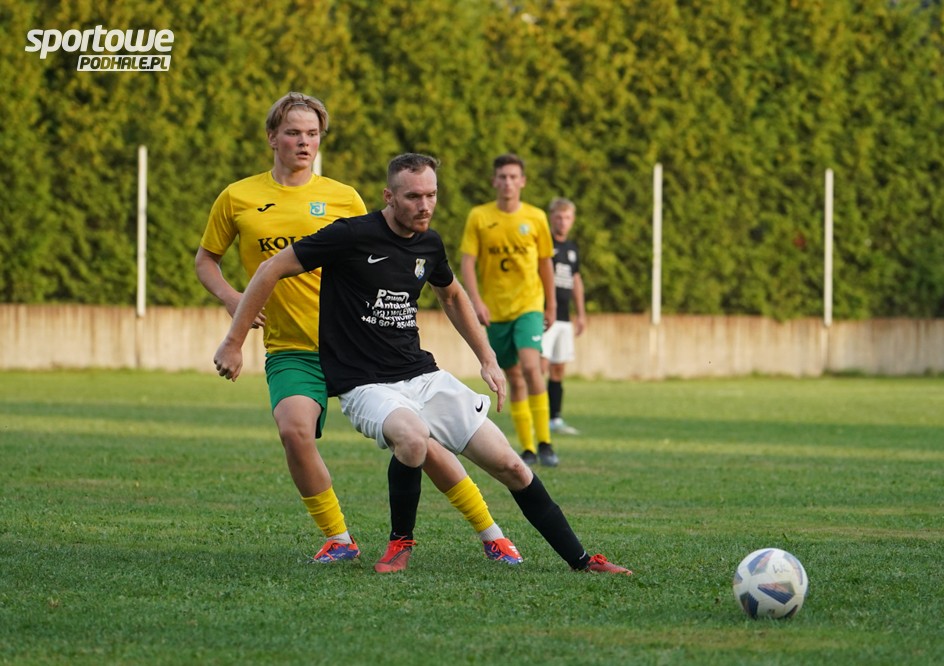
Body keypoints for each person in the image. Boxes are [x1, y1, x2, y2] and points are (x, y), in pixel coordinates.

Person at [213, 153, 631, 575]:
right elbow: (270, 269)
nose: (425, 205)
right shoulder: (350, 234)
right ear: (389, 196)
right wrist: (234, 341)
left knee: (511, 465)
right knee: (412, 439)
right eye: (413, 196)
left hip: (423, 376)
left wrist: (487, 358)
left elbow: (452, 295)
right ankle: (400, 543)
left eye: (431, 195)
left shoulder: (430, 243)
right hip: (365, 384)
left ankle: (582, 560)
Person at [195, 93, 521, 566]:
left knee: (422, 441)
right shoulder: (237, 197)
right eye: (293, 132)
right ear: (272, 137)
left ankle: (491, 534)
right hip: (295, 346)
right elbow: (206, 260)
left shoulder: (344, 197)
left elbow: (384, 256)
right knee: (293, 430)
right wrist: (233, 300)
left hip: (362, 350)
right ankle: (339, 538)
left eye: (312, 134)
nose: (304, 142)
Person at [459, 154, 558, 467]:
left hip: (529, 305)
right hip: (496, 311)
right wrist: (476, 301)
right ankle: (527, 447)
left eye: (514, 177)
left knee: (531, 366)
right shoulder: (479, 216)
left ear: (523, 182)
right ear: (494, 181)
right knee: (514, 376)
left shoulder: (536, 217)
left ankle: (545, 443)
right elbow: (468, 262)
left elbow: (546, 263)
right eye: (502, 177)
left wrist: (552, 304)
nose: (508, 182)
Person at [541, 198, 586, 436]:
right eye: (559, 217)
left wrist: (581, 313)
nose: (563, 222)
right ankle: (535, 416)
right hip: (544, 315)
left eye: (567, 217)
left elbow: (576, 280)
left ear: (573, 220)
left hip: (564, 318)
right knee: (539, 366)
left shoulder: (572, 248)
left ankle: (555, 418)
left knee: (558, 368)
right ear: (551, 217)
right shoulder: (544, 245)